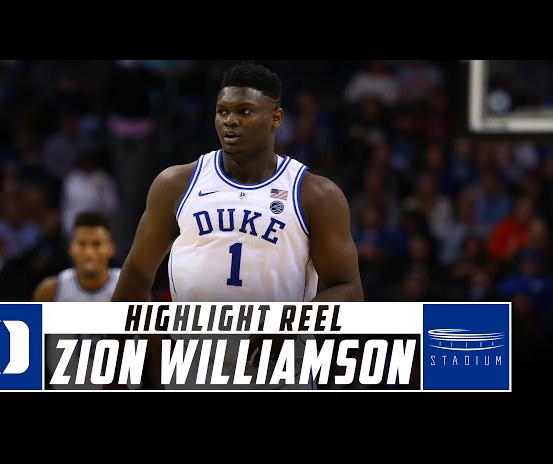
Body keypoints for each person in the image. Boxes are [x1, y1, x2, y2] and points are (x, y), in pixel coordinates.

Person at [110, 63, 364, 390]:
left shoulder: (314, 194)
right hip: (194, 373)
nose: (230, 120)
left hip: (278, 372)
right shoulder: (176, 184)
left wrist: (289, 323)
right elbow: (134, 280)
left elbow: (349, 290)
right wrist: (127, 365)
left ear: (276, 118)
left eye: (245, 111)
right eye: (222, 111)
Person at [32, 210, 120, 390]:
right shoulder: (50, 291)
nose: (88, 252)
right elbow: (28, 352)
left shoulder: (128, 289)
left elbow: (153, 350)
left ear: (110, 248)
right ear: (71, 247)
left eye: (96, 244)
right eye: (82, 244)